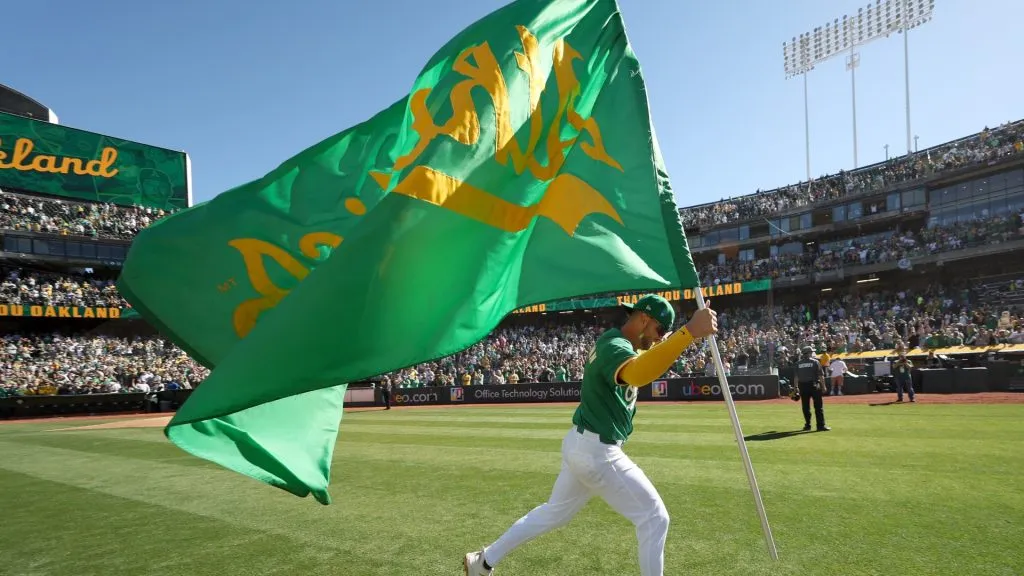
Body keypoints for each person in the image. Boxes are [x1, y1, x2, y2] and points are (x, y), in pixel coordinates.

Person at [463, 294, 718, 576]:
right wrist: (688, 333)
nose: (659, 339)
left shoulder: (621, 344)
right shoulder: (615, 344)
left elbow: (648, 358)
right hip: (598, 451)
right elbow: (638, 373)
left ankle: (483, 561)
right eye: (659, 331)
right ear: (644, 319)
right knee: (655, 518)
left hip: (581, 443)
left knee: (553, 513)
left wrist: (676, 339)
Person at [795, 346, 830, 432]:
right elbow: (820, 376)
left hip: (803, 386)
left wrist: (796, 387)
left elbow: (796, 377)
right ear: (808, 353)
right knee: (818, 407)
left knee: (805, 407)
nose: (812, 353)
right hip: (814, 386)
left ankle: (807, 425)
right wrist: (824, 386)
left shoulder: (798, 364)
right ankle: (820, 426)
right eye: (811, 352)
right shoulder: (815, 362)